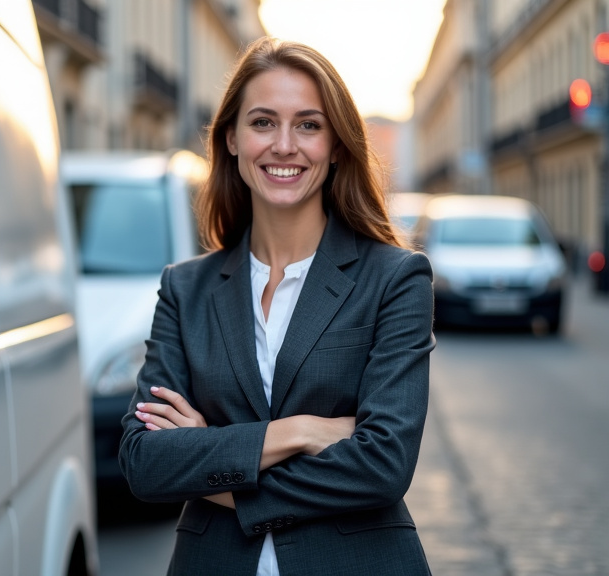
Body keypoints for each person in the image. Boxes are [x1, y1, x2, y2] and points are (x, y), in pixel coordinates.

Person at [118, 36, 436, 576]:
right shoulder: (185, 289)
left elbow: (383, 464)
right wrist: (303, 431)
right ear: (232, 140)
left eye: (308, 125)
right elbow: (145, 463)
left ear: (336, 145)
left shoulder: (395, 279)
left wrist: (211, 456)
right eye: (263, 122)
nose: (284, 145)